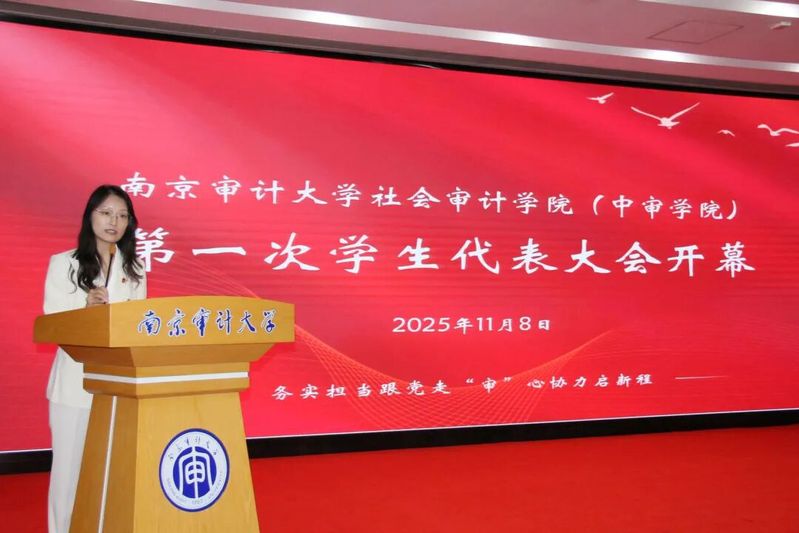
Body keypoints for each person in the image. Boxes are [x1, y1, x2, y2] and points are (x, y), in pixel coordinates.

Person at [43, 185, 146, 533]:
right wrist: (85, 309)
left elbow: (137, 325)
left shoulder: (135, 268)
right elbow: (53, 322)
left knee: (112, 471)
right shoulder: (65, 263)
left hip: (118, 387)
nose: (114, 221)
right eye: (106, 213)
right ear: (90, 216)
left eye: (122, 215)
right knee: (69, 473)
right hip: (75, 385)